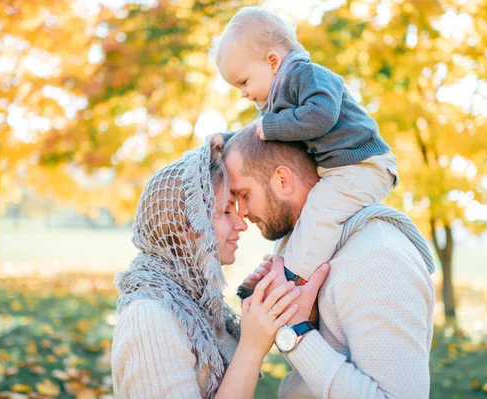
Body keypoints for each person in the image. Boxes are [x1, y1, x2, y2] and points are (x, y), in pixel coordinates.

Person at [223, 124, 436, 398]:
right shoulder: (304, 251)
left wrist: (295, 330)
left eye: (244, 195)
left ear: (282, 181)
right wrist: (308, 319)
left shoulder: (376, 257)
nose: (243, 214)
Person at [110, 135, 330, 399]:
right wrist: (251, 347)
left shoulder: (197, 304)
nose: (241, 223)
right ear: (186, 229)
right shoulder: (149, 318)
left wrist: (255, 303)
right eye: (226, 211)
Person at [212, 6, 399, 283]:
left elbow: (321, 115)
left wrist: (270, 125)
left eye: (244, 82)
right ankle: (279, 267)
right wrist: (226, 140)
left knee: (321, 210)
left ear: (272, 61)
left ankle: (294, 279)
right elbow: (256, 134)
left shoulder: (307, 75)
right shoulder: (274, 99)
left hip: (363, 163)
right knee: (304, 223)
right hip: (339, 169)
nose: (243, 93)